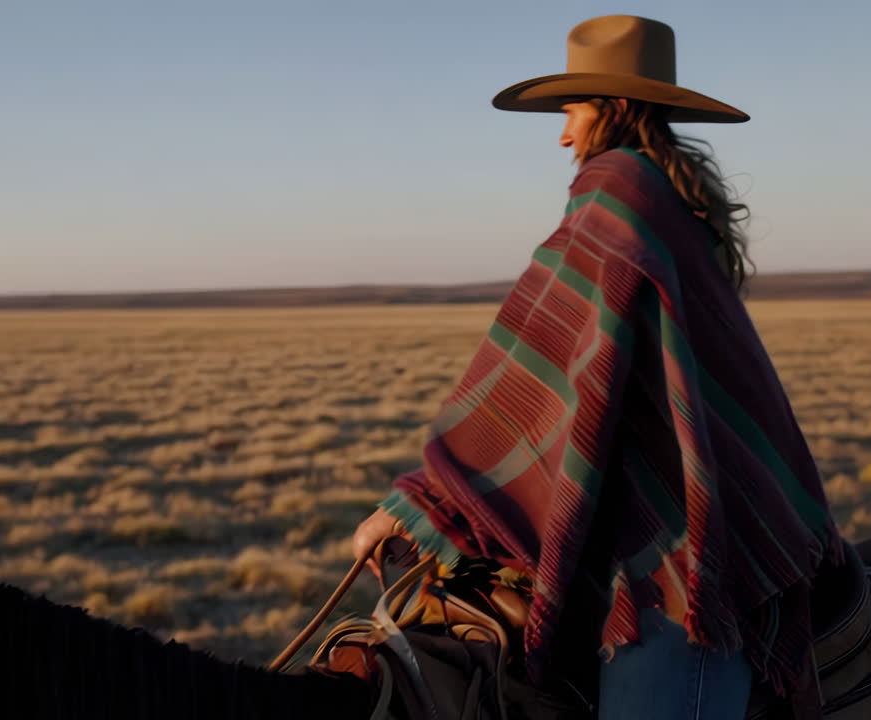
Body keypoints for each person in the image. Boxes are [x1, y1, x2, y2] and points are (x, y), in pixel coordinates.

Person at [353, 15, 843, 720]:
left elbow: (537, 368)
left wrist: (419, 505)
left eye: (570, 111)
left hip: (685, 558)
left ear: (612, 108)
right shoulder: (667, 198)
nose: (561, 134)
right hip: (706, 510)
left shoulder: (615, 190)